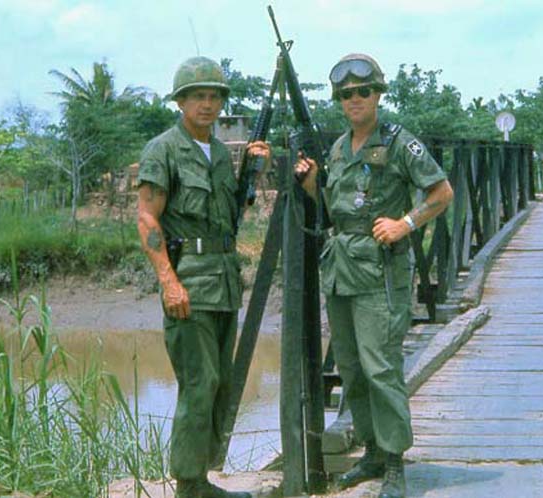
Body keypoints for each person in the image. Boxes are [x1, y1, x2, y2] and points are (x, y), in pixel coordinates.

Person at [294, 53, 454, 498]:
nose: (355, 100)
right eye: (346, 95)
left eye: (363, 92)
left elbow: (442, 192)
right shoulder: (340, 148)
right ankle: (371, 451)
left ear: (378, 94)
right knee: (350, 367)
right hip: (342, 269)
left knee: (381, 365)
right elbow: (334, 211)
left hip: (380, 271)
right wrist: (311, 187)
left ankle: (395, 460)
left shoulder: (401, 142)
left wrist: (406, 223)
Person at [136, 56, 270, 498]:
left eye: (214, 96)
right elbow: (147, 219)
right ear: (180, 102)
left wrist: (254, 171)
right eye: (198, 96)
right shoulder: (164, 149)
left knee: (222, 384)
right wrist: (168, 281)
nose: (208, 104)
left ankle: (203, 476)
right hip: (189, 284)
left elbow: (227, 217)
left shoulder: (218, 154)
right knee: (199, 383)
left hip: (224, 281)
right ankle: (189, 485)